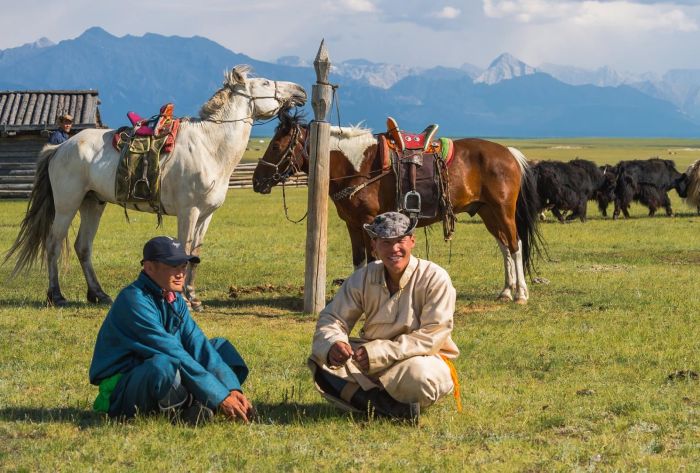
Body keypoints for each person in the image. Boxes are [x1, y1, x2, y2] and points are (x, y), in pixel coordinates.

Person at [308, 212, 460, 423]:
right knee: (322, 359)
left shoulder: (434, 277)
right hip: (368, 359)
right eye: (386, 242)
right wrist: (335, 344)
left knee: (420, 377)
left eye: (400, 241)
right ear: (374, 246)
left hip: (419, 358)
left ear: (412, 241)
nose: (394, 249)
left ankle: (368, 402)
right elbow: (332, 318)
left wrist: (381, 352)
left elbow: (432, 335)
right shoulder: (363, 276)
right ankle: (387, 407)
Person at [89, 236, 254, 426]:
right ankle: (182, 411)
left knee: (219, 347)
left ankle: (197, 404)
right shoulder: (133, 300)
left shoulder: (172, 296)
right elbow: (170, 350)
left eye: (183, 266)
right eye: (173, 266)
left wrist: (232, 390)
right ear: (149, 268)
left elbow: (198, 344)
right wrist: (219, 395)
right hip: (124, 385)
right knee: (164, 365)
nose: (181, 273)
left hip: (168, 366)